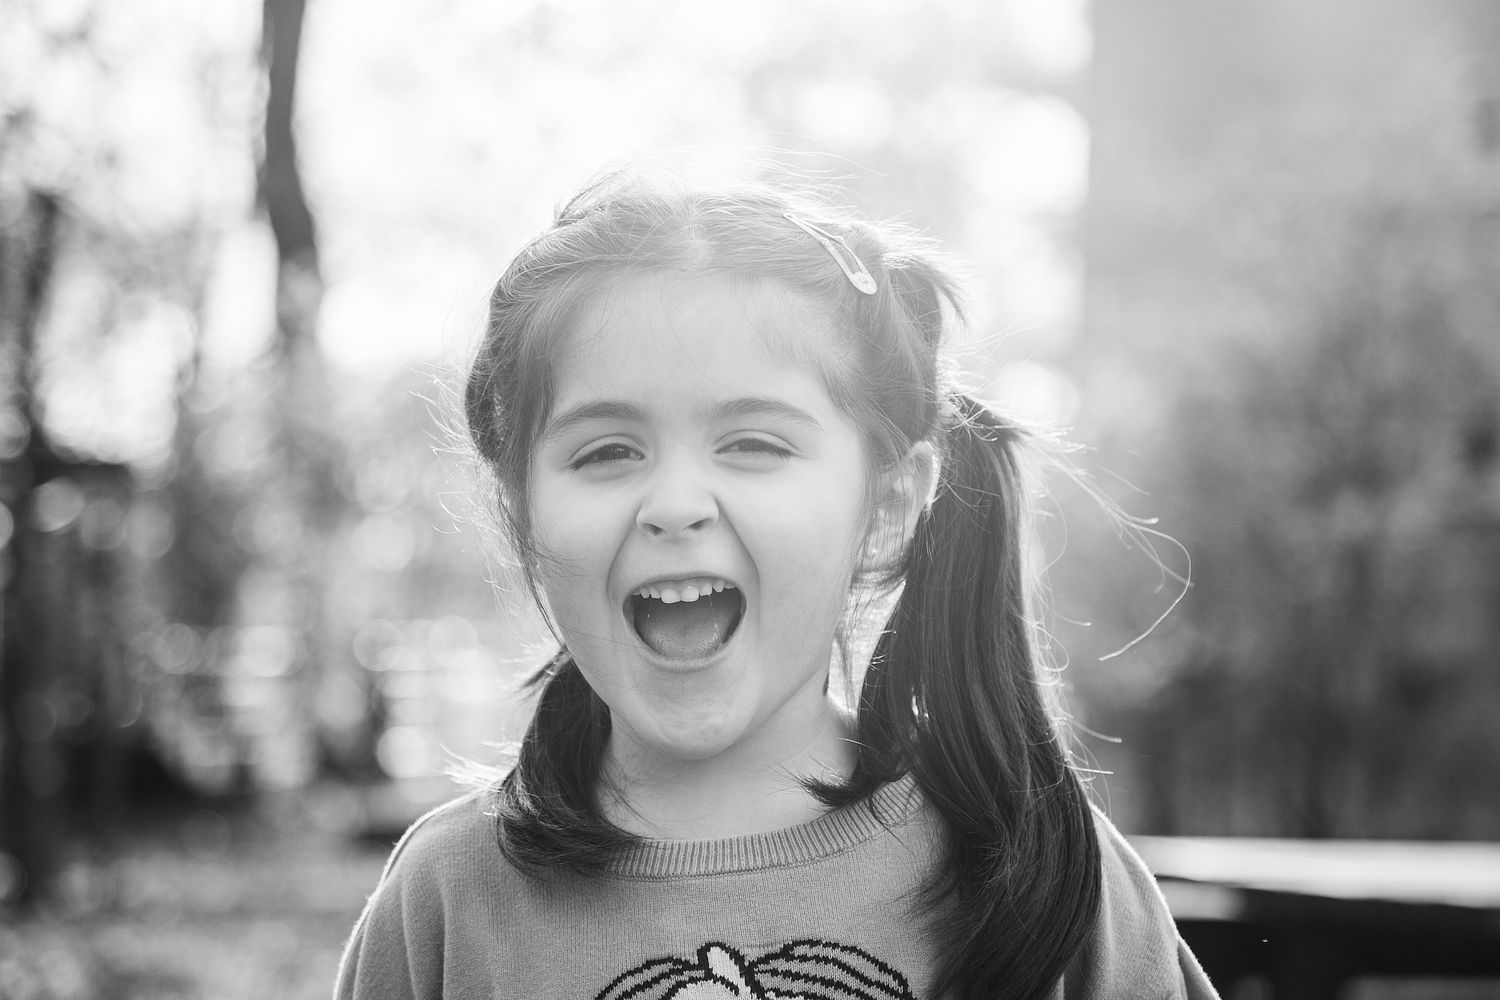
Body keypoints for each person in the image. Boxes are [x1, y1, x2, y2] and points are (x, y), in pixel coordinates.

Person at [334, 167, 1220, 1000]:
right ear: (521, 515)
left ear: (888, 503)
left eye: (753, 443)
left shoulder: (1041, 874)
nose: (674, 504)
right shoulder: (447, 901)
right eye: (607, 451)